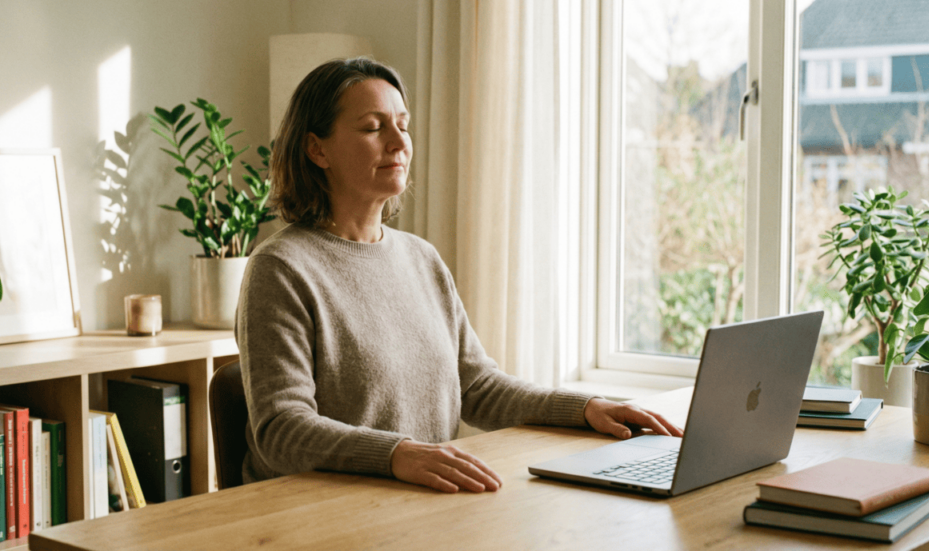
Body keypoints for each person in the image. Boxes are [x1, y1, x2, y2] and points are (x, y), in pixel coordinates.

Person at [235, 57, 682, 493]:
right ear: (317, 149)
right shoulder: (281, 267)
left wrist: (585, 408)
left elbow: (478, 387)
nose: (398, 142)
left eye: (403, 125)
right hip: (318, 513)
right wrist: (398, 454)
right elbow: (281, 430)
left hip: (419, 500)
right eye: (373, 128)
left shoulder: (421, 258)